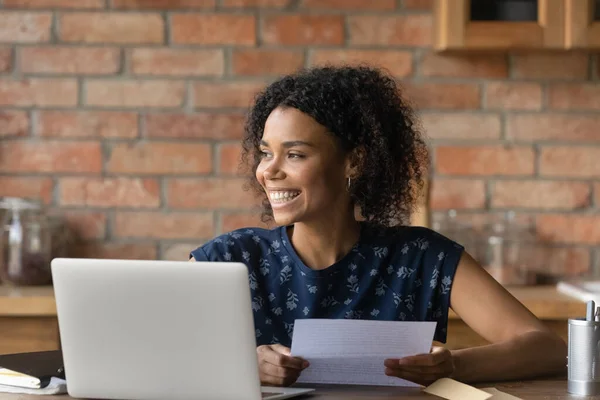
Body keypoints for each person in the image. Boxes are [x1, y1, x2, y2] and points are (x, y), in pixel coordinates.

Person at [189, 65, 567, 387]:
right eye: (266, 153)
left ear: (354, 162)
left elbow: (548, 348)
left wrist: (453, 366)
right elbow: (143, 346)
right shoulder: (229, 258)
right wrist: (240, 365)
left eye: (295, 154)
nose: (268, 171)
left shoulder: (421, 257)